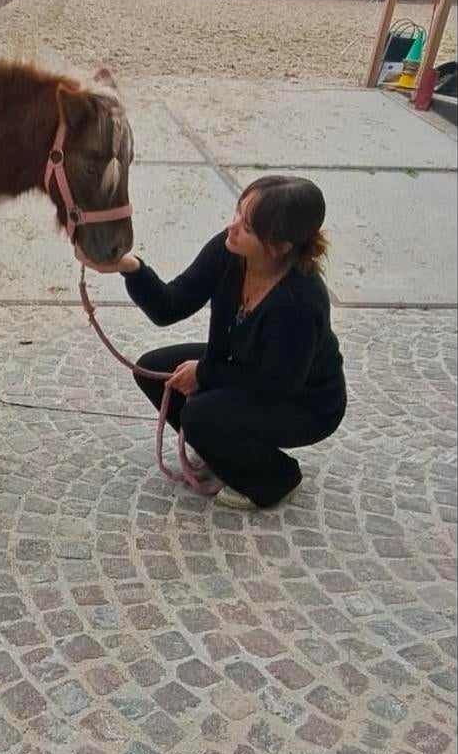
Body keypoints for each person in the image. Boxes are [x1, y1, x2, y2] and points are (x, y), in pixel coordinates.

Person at [76, 175, 347, 510]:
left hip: (305, 403)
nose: (232, 227)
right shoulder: (228, 250)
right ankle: (224, 454)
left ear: (280, 247)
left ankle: (276, 478)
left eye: (247, 227)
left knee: (201, 415)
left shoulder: (301, 300)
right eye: (237, 214)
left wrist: (204, 375)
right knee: (153, 370)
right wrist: (128, 267)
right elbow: (170, 305)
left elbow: (278, 383)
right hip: (245, 366)